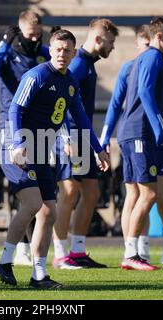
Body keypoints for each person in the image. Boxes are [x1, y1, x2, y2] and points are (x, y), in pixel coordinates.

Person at [0, 29, 110, 289]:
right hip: (19, 148)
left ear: (73, 52)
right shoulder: (36, 75)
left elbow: (79, 118)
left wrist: (97, 148)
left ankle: (38, 276)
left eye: (67, 50)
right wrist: (18, 144)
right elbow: (16, 108)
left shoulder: (70, 81)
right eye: (57, 49)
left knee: (49, 213)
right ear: (51, 49)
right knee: (34, 204)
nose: (62, 54)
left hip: (41, 151)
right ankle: (4, 261)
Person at [102, 18, 163, 271]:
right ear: (157, 37)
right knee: (147, 194)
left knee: (149, 193)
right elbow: (131, 99)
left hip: (143, 135)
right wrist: (160, 129)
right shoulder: (147, 60)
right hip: (142, 135)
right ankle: (133, 252)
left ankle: (152, 246)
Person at [0, 10, 51, 266]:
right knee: (24, 190)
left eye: (38, 35)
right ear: (20, 32)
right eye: (30, 36)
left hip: (41, 130)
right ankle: (19, 248)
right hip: (13, 130)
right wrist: (3, 43)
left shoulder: (43, 53)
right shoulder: (8, 53)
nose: (34, 40)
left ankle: (32, 252)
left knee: (40, 195)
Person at [52, 18, 118, 270]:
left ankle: (77, 251)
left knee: (91, 193)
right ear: (99, 39)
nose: (112, 48)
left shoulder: (88, 65)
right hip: (71, 138)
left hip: (84, 138)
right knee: (69, 193)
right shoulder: (78, 64)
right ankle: (60, 255)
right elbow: (63, 102)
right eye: (110, 42)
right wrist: (67, 137)